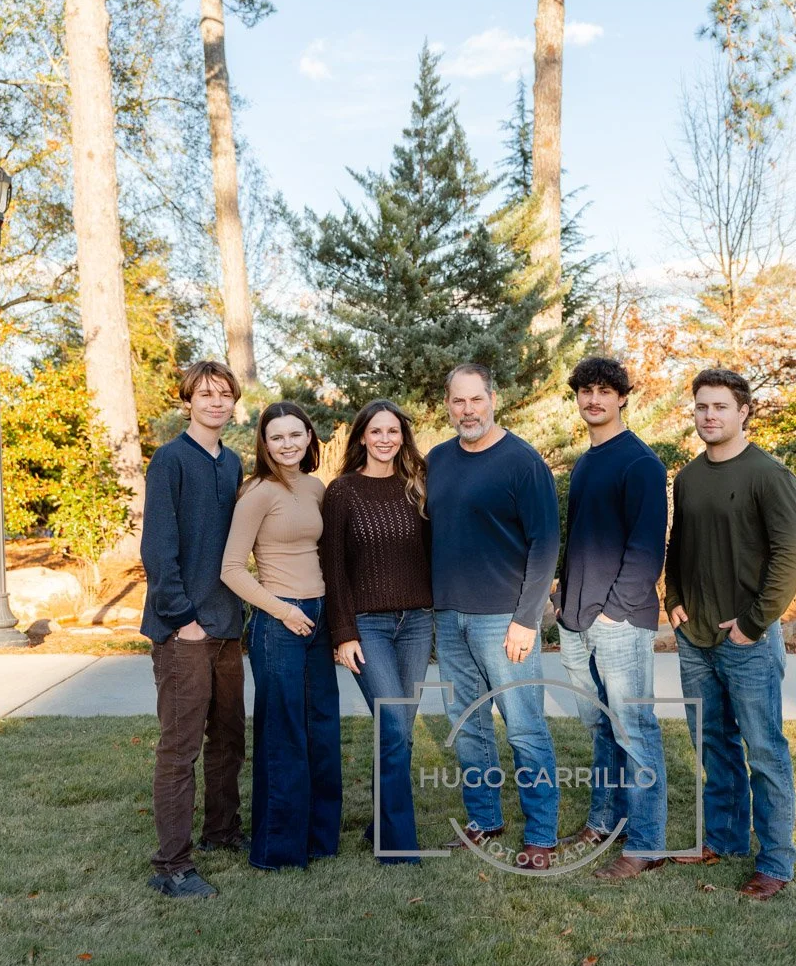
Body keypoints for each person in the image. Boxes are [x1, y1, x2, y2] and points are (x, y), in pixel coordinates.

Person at [665, 368, 796, 902]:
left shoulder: (768, 474)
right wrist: (673, 599)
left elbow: (792, 558)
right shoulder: (688, 477)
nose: (709, 416)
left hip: (746, 642)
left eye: (720, 407)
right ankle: (724, 839)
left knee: (764, 750)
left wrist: (753, 624)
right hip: (695, 639)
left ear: (743, 411)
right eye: (702, 407)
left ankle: (775, 861)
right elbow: (678, 546)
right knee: (714, 746)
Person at [426, 363, 562, 870]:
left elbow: (545, 543)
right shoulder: (438, 459)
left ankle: (542, 835)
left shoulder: (522, 462)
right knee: (469, 725)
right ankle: (484, 820)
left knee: (524, 726)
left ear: (493, 398)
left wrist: (527, 619)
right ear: (448, 405)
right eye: (458, 402)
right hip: (449, 616)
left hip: (504, 619)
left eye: (475, 400)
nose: (467, 411)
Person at [551, 357, 670, 881]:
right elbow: (579, 537)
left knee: (635, 730)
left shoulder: (639, 463)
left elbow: (647, 549)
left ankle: (646, 844)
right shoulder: (586, 461)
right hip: (576, 615)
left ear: (623, 397)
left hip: (618, 621)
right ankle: (605, 821)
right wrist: (563, 596)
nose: (593, 399)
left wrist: (614, 613)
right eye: (585, 391)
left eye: (604, 391)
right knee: (602, 726)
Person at [139, 360, 247, 900]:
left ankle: (222, 832)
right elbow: (157, 550)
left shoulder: (232, 463)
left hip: (228, 626)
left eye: (224, 394)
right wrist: (181, 619)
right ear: (188, 401)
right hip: (183, 631)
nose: (215, 403)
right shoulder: (170, 461)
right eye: (205, 395)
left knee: (229, 740)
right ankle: (171, 865)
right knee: (180, 749)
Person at [220, 401, 341, 871]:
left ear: (309, 438)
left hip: (318, 618)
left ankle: (318, 839)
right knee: (283, 735)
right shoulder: (257, 493)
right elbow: (231, 569)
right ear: (264, 444)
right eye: (277, 437)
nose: (287, 444)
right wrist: (282, 610)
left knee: (322, 729)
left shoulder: (315, 487)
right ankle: (277, 849)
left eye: (296, 434)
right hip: (278, 625)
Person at [321, 399, 434, 863]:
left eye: (394, 431)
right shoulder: (342, 491)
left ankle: (380, 823)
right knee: (392, 724)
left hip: (417, 623)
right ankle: (397, 845)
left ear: (402, 437)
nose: (385, 439)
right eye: (376, 431)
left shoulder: (417, 489)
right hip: (367, 626)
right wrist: (342, 632)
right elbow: (334, 568)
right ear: (362, 437)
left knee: (400, 730)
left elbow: (432, 555)